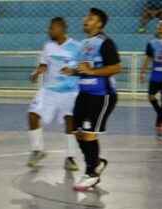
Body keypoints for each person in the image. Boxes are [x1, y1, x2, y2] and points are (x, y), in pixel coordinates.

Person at [62, 8, 122, 191]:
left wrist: (92, 72)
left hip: (101, 95)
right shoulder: (84, 44)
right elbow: (84, 68)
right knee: (76, 131)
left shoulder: (105, 43)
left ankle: (91, 174)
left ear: (100, 24)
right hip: (84, 94)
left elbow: (116, 68)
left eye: (91, 18)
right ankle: (96, 162)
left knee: (88, 133)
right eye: (86, 17)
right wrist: (72, 71)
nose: (86, 20)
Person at [26, 17, 82, 171]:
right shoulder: (48, 46)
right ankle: (37, 150)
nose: (49, 31)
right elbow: (44, 65)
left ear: (61, 28)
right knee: (32, 114)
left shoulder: (77, 47)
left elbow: (82, 68)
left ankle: (70, 157)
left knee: (70, 121)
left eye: (52, 28)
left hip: (69, 91)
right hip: (49, 90)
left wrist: (74, 71)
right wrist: (37, 72)